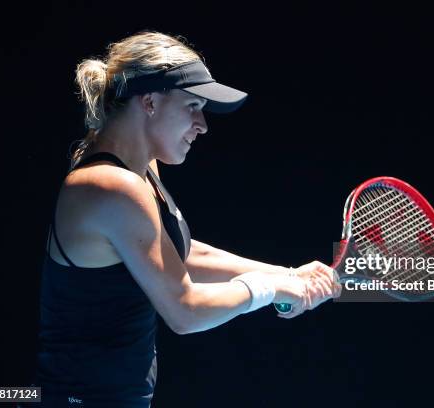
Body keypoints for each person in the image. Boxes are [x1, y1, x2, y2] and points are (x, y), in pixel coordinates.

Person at [22, 30, 341, 407]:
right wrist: (268, 289)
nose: (203, 124)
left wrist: (288, 275)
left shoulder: (140, 172)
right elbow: (185, 311)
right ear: (150, 103)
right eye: (192, 106)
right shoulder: (110, 186)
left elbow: (179, 255)